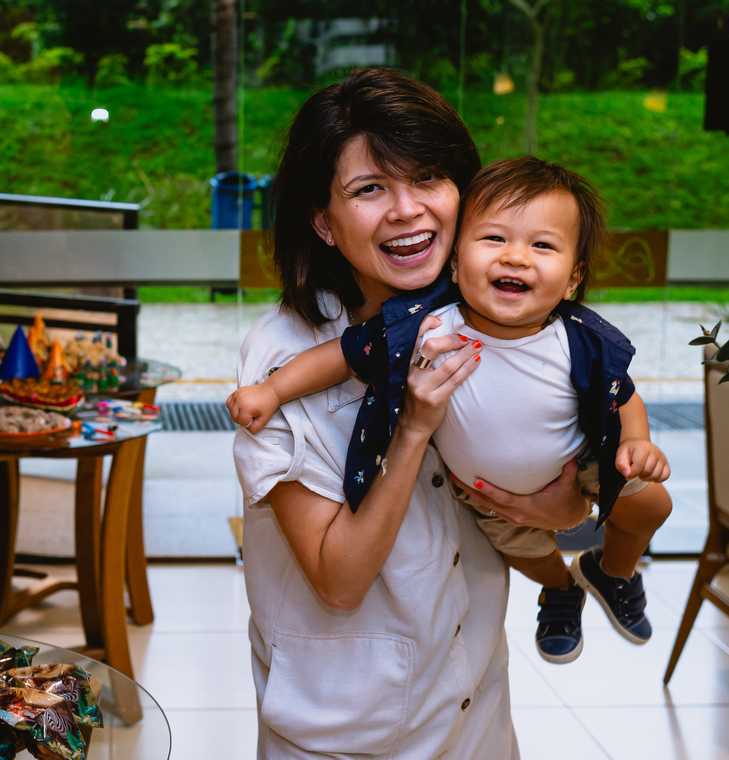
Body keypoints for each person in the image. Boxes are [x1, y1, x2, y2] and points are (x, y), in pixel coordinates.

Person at [232, 69, 591, 760]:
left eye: (428, 176)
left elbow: (541, 516)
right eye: (369, 189)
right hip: (350, 749)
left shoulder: (495, 321)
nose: (407, 210)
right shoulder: (282, 357)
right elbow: (338, 578)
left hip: (472, 713)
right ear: (324, 220)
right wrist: (415, 427)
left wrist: (563, 513)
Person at [229, 157, 674, 666]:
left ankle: (612, 571)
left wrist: (635, 442)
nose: (517, 258)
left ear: (572, 279)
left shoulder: (579, 338)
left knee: (653, 504)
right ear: (456, 265)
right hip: (484, 495)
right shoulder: (428, 325)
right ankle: (560, 590)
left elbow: (622, 394)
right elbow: (343, 356)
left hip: (583, 462)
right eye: (494, 240)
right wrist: (273, 390)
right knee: (529, 556)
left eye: (542, 246)